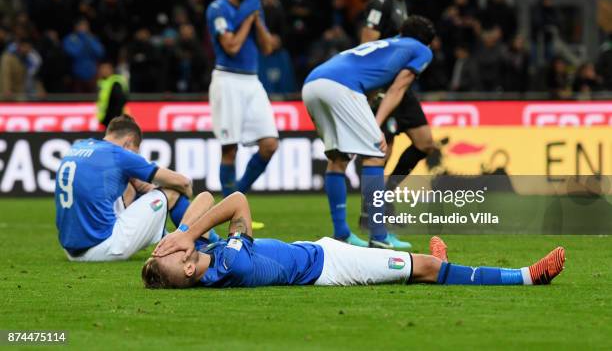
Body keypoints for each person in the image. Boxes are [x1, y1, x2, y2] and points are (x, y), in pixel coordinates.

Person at [143, 192, 565, 289]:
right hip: (330, 267)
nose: (175, 244)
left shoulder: (207, 257)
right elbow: (236, 202)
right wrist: (188, 234)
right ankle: (528, 276)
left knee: (417, 265)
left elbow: (200, 198)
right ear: (184, 267)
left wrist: (181, 234)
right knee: (428, 268)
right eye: (173, 252)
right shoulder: (229, 263)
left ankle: (427, 262)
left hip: (320, 249)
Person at [302, 15, 435, 249]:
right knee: (375, 154)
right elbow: (397, 89)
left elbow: (373, 83)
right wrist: (376, 124)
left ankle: (341, 233)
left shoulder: (386, 44)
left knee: (337, 158)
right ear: (427, 42)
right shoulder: (421, 50)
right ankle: (379, 236)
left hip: (312, 83)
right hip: (341, 87)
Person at [360, 0, 434, 245]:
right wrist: (374, 89)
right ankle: (371, 213)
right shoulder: (381, 1)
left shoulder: (402, 3)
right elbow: (367, 44)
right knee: (382, 151)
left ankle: (386, 195)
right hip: (384, 88)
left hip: (401, 88)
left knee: (425, 143)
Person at [55, 114, 194, 262]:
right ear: (128, 142)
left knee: (131, 187)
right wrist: (186, 192)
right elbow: (183, 182)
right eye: (135, 151)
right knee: (171, 193)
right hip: (102, 247)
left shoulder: (78, 147)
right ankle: (201, 242)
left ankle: (162, 233)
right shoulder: (118, 154)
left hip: (71, 251)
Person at [205, 0, 277, 229]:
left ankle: (234, 200)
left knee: (270, 144)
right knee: (230, 149)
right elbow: (231, 46)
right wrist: (248, 17)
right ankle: (230, 211)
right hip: (227, 79)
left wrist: (257, 20)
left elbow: (268, 48)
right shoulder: (218, 8)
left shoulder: (253, 10)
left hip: (252, 80)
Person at [96, 60, 128, 128]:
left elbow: (120, 100)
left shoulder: (116, 82)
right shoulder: (102, 82)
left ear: (112, 69)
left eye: (106, 68)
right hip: (106, 119)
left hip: (114, 119)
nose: (104, 71)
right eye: (102, 68)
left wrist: (115, 118)